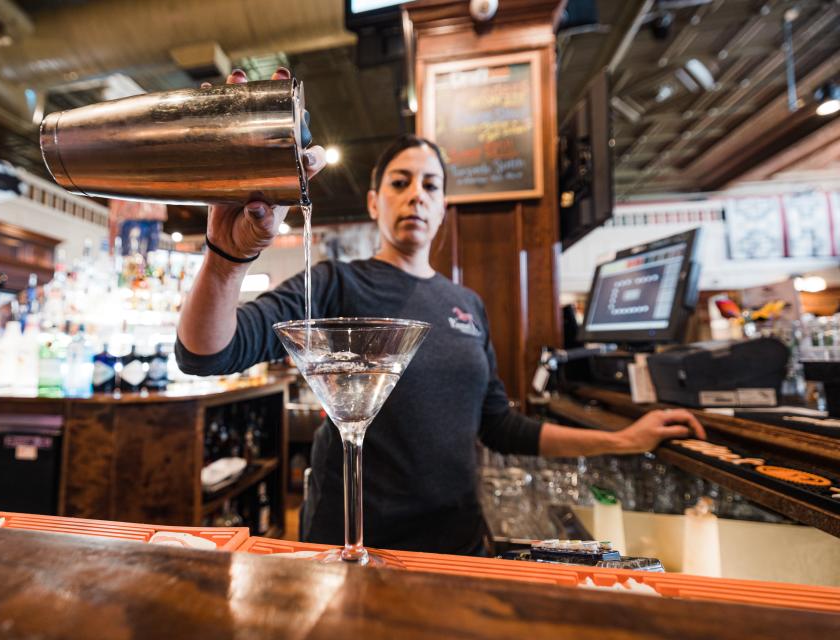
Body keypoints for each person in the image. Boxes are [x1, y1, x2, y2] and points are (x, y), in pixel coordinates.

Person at [177, 69, 706, 556]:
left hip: (455, 543)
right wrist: (228, 259)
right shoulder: (335, 282)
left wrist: (623, 439)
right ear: (373, 202)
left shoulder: (467, 306)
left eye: (430, 185)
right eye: (400, 182)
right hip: (352, 543)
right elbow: (208, 353)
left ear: (444, 207)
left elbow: (499, 426)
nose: (416, 196)